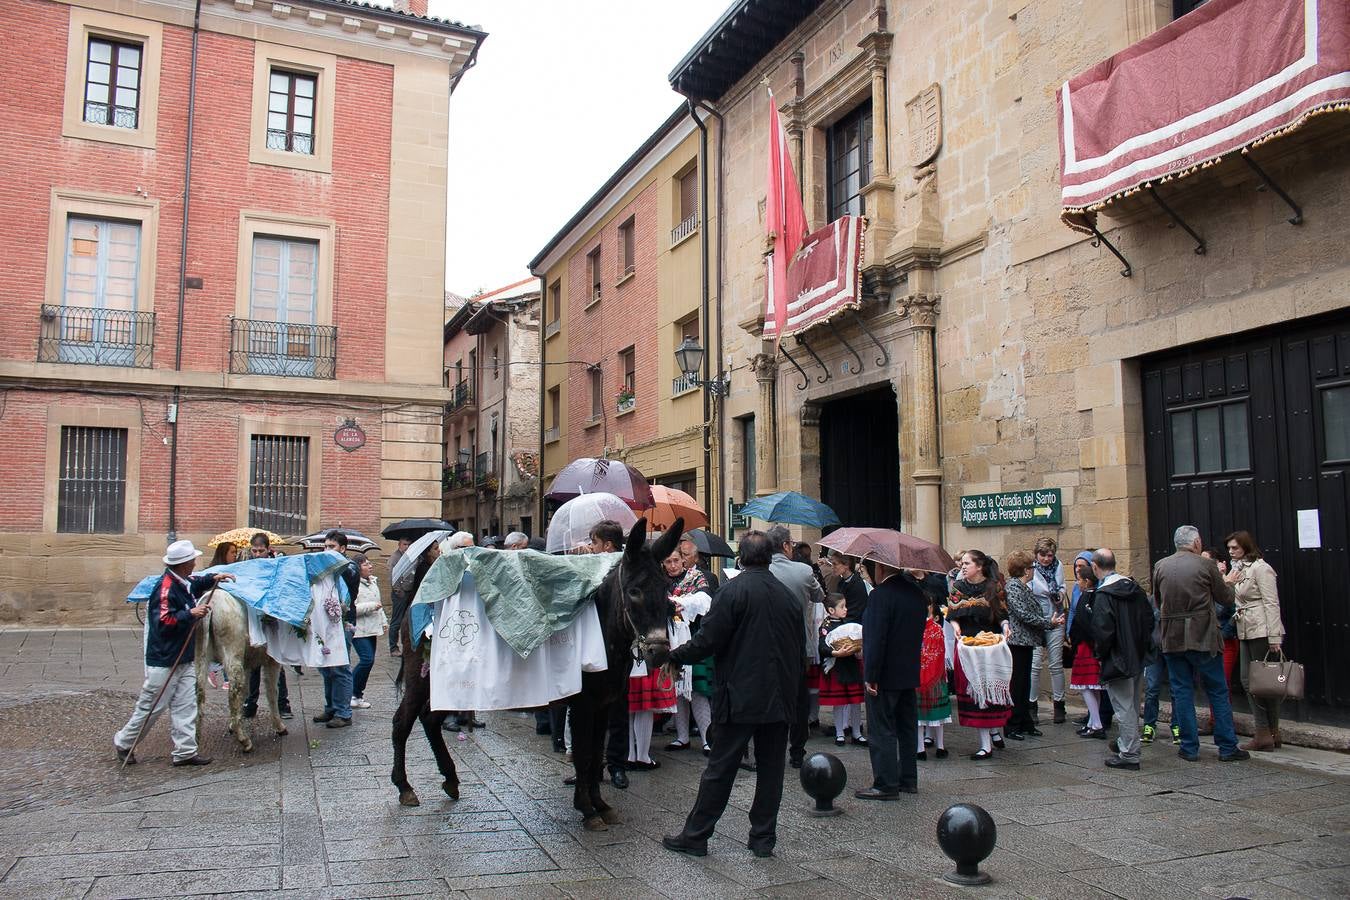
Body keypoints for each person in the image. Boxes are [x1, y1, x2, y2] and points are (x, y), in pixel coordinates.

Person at [661, 531, 805, 859]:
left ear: (740, 557)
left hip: (740, 695)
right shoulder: (787, 597)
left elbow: (708, 640)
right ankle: (763, 838)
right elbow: (798, 653)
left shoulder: (731, 592)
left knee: (721, 768)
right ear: (769, 557)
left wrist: (676, 656)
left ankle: (696, 834)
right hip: (778, 697)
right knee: (771, 770)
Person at [113, 540, 235, 766]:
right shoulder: (166, 588)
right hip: (165, 659)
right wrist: (191, 613)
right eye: (192, 561)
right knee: (152, 706)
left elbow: (195, 585)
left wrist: (213, 578)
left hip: (184, 655)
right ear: (183, 563)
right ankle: (124, 741)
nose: (195, 563)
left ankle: (185, 751)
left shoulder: (182, 581)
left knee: (186, 704)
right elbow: (164, 621)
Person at [1152, 525, 1248, 762]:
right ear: (1195, 543)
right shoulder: (1205, 565)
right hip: (1203, 635)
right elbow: (1225, 599)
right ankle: (1227, 746)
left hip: (1172, 637)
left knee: (1182, 691)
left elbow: (1157, 599)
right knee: (1217, 690)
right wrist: (1230, 582)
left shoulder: (1161, 565)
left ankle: (1188, 746)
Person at [857, 563, 927, 799]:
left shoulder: (880, 595)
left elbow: (876, 638)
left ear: (881, 568)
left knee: (881, 727)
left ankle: (886, 783)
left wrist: (871, 675)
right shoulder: (915, 593)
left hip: (885, 673)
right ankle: (908, 778)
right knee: (906, 727)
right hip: (908, 670)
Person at [765, 524, 825, 768]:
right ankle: (797, 751)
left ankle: (771, 747)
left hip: (767, 646)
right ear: (787, 546)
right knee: (799, 699)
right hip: (797, 645)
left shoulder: (760, 570)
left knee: (770, 695)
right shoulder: (803, 571)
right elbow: (820, 596)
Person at [1090, 548, 1156, 770]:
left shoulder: (1104, 594)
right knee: (1133, 703)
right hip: (1137, 654)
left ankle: (1129, 753)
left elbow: (1103, 630)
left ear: (1095, 567)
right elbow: (1149, 619)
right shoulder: (1134, 588)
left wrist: (1100, 654)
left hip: (1117, 657)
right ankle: (1126, 743)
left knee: (1124, 705)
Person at [946, 550, 1011, 759]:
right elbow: (953, 613)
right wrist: (955, 626)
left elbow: (1001, 613)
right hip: (967, 644)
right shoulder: (958, 587)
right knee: (976, 693)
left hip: (989, 645)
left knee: (990, 690)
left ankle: (993, 731)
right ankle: (985, 743)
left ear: (979, 566)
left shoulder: (994, 587)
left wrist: (1006, 625)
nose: (963, 567)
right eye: (962, 563)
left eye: (967, 563)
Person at [1225, 531, 1285, 751]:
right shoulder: (1238, 569)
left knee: (1263, 682)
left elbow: (1271, 602)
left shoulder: (1261, 568)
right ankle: (1268, 732)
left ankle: (1267, 732)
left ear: (1246, 547)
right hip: (1245, 628)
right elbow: (1230, 596)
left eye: (1235, 548)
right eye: (1229, 548)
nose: (1231, 552)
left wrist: (1274, 636)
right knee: (1250, 681)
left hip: (1261, 629)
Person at [626, 551, 681, 771]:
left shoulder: (629, 584)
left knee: (630, 707)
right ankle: (641, 756)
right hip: (648, 651)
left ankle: (631, 755)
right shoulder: (655, 587)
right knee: (644, 708)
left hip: (631, 651)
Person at [1005, 550, 1063, 740]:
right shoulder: (1013, 587)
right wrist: (1049, 623)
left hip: (1027, 640)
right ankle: (1013, 724)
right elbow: (1023, 614)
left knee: (1024, 682)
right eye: (1031, 567)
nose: (1033, 570)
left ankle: (1024, 722)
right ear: (1025, 570)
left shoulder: (1023, 586)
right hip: (1018, 641)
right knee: (1018, 683)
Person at [314, 530, 360, 729]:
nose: (327, 550)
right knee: (326, 666)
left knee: (340, 666)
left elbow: (348, 581)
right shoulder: (328, 566)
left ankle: (343, 712)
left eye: (331, 547)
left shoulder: (350, 567)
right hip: (326, 622)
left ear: (343, 548)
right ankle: (331, 707)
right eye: (325, 546)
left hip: (344, 623)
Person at [668, 552, 713, 754]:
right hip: (670, 640)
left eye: (676, 560)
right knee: (676, 689)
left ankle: (707, 738)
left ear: (683, 560)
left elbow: (704, 598)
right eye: (667, 561)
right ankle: (682, 737)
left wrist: (683, 603)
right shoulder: (659, 581)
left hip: (693, 640)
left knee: (697, 690)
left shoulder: (695, 577)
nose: (672, 565)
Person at [1028, 537, 1068, 724]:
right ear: (1036, 554)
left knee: (1055, 664)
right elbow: (1027, 590)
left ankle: (1060, 705)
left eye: (1049, 555)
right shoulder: (1030, 569)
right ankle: (1032, 705)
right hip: (1037, 619)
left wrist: (1058, 595)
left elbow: (1062, 587)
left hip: (1055, 615)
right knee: (1035, 665)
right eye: (1042, 555)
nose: (1046, 559)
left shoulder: (1058, 566)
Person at [817, 593, 864, 747]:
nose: (846, 609)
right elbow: (822, 646)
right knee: (839, 702)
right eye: (842, 606)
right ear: (831, 610)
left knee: (856, 702)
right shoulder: (826, 627)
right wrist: (834, 653)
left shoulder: (848, 624)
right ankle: (839, 732)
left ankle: (857, 732)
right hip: (837, 667)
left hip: (851, 665)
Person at [1069, 567, 1106, 738]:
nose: (1077, 582)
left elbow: (1083, 623)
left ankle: (1096, 724)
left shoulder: (1087, 596)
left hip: (1085, 647)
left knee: (1085, 686)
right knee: (1094, 687)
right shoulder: (1098, 595)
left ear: (1086, 581)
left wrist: (1074, 639)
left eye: (1079, 579)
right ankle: (1093, 722)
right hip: (1093, 646)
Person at [915, 595, 952, 760]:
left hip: (917, 676)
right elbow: (940, 653)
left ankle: (920, 748)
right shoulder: (937, 628)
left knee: (919, 716)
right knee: (937, 715)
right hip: (935, 678)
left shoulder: (911, 628)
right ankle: (940, 746)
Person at [350, 553, 387, 710]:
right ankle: (350, 692)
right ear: (358, 569)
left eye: (370, 563)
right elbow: (352, 609)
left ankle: (358, 695)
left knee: (369, 662)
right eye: (365, 564)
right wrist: (371, 606)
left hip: (372, 628)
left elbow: (379, 605)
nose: (370, 566)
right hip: (359, 629)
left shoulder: (373, 582)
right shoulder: (353, 585)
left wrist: (384, 622)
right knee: (366, 660)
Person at [1203, 546, 1240, 695]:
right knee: (1213, 682)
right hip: (1209, 639)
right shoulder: (1204, 581)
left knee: (1221, 681)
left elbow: (1227, 607)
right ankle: (1215, 718)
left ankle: (1220, 718)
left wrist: (1223, 578)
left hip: (1225, 638)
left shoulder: (1228, 580)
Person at [387, 536, 413, 656]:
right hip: (400, 593)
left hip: (409, 591)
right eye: (404, 544)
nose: (406, 547)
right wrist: (399, 591)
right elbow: (392, 577)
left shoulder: (409, 556)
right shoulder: (395, 558)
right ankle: (393, 647)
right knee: (396, 621)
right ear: (399, 544)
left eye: (408, 544)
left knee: (406, 621)